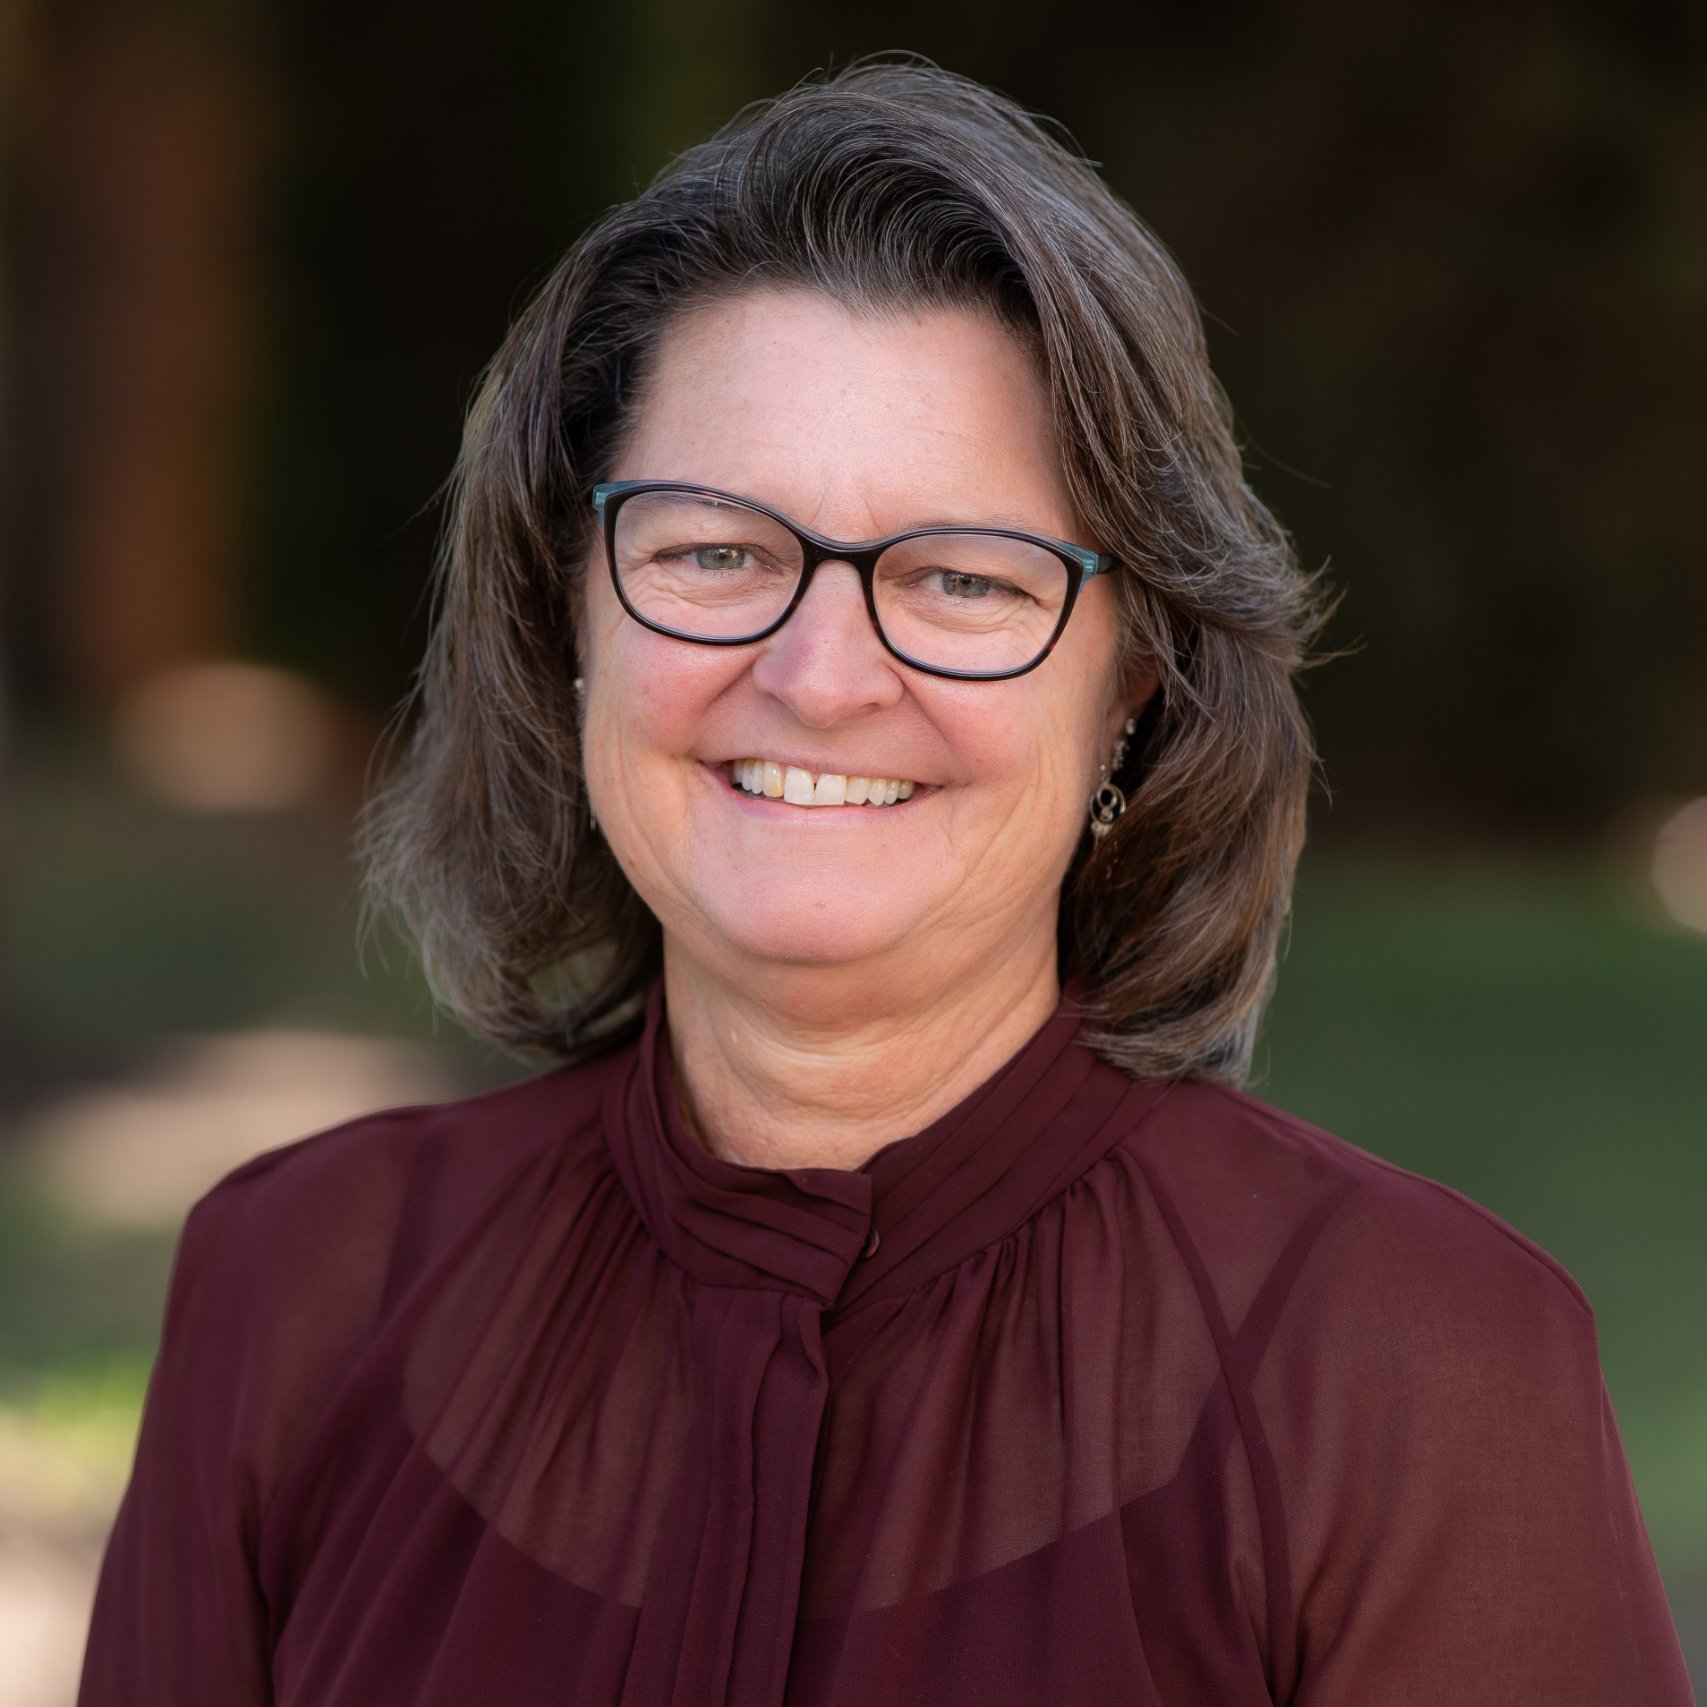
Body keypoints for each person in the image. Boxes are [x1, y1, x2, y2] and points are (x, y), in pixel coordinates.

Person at [78, 59, 1693, 1707]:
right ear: (571, 614)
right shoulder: (298, 1290)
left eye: (963, 579)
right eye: (716, 550)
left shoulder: (1416, 1368)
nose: (824, 672)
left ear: (1133, 677)